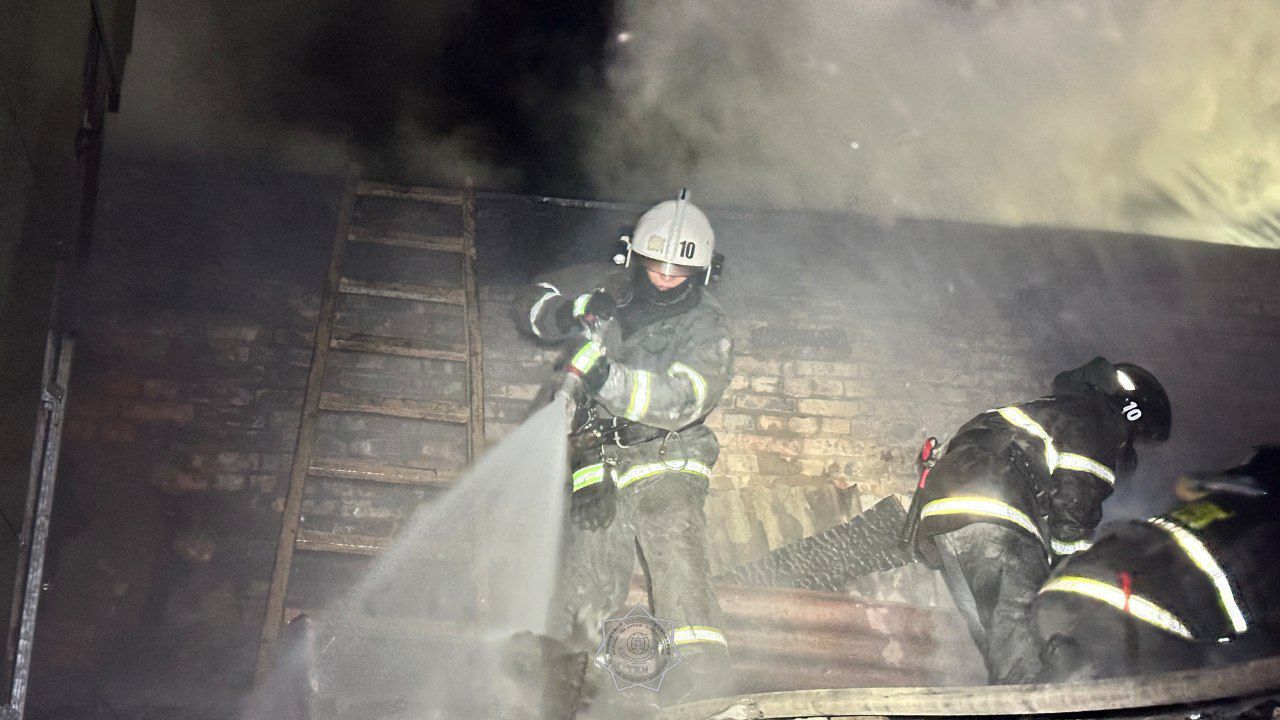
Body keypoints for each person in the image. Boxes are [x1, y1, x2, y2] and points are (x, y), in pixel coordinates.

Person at [520, 190, 734, 705]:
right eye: (655, 265)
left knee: (676, 542)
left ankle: (699, 686)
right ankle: (567, 690)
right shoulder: (606, 286)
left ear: (703, 273)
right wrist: (572, 308)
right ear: (633, 255)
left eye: (679, 272)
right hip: (600, 455)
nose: (665, 278)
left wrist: (607, 378)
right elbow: (529, 303)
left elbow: (683, 399)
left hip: (668, 455)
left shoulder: (708, 325)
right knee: (583, 572)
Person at [911, 356, 1171, 684]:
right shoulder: (1097, 419)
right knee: (1023, 642)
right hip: (993, 506)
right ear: (1132, 415)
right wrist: (1067, 578)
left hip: (943, 515)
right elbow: (1075, 501)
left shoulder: (1055, 409)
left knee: (998, 641)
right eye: (1135, 437)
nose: (1127, 447)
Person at [1034, 445, 1280, 681]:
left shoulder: (1236, 492)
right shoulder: (1257, 514)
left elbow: (1188, 486)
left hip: (1062, 595)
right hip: (1145, 625)